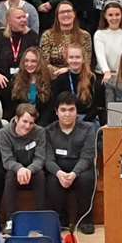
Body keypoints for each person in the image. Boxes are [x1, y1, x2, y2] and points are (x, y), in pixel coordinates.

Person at [43, 96, 98, 233]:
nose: (67, 114)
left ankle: (85, 220)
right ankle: (60, 219)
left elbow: (87, 157)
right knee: (51, 180)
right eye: (63, 110)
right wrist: (60, 173)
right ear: (56, 112)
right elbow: (48, 159)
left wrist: (73, 174)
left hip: (80, 166)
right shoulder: (48, 131)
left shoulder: (89, 129)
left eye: (71, 109)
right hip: (58, 167)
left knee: (87, 178)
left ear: (76, 111)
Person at [0, 103, 45, 227]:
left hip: (33, 170)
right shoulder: (4, 133)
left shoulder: (40, 132)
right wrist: (19, 169)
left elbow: (40, 158)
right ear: (17, 119)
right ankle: (10, 220)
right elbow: (7, 160)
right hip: (14, 170)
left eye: (31, 123)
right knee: (9, 176)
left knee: (40, 175)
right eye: (24, 121)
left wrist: (29, 170)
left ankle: (41, 218)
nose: (28, 126)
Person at [93, 2, 122, 82]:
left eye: (117, 14)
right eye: (110, 15)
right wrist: (106, 71)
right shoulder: (99, 34)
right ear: (105, 16)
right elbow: (100, 55)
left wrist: (119, 73)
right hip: (103, 75)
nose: (114, 18)